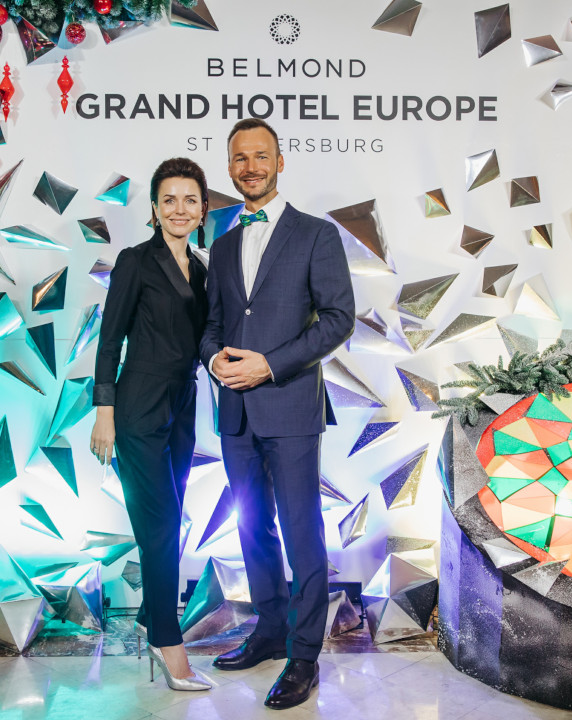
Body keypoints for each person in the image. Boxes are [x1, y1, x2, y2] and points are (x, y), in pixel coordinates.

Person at [200, 118, 355, 709]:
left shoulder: (316, 234)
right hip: (235, 411)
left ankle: (304, 655)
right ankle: (268, 632)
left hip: (289, 407)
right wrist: (214, 360)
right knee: (252, 528)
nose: (250, 167)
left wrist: (268, 365)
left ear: (280, 162)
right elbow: (212, 325)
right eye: (240, 158)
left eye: (260, 156)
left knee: (300, 531)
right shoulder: (221, 245)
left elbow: (338, 319)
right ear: (229, 166)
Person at [90, 157, 212, 692]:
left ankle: (148, 617)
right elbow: (109, 340)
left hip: (183, 405)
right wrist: (105, 413)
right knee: (159, 525)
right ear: (156, 209)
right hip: (137, 406)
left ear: (203, 209)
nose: (179, 209)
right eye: (169, 200)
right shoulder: (135, 261)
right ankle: (167, 638)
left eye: (190, 200)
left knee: (169, 520)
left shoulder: (203, 270)